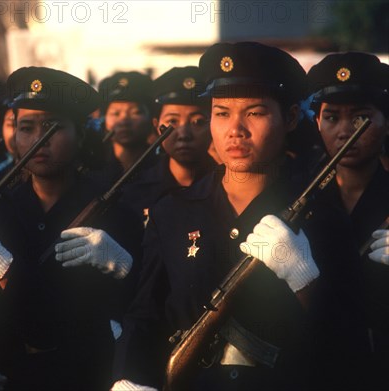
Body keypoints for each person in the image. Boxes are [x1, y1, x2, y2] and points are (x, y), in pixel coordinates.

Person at [112, 42, 365, 391]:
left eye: (255, 112)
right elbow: (144, 315)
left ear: (290, 118)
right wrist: (128, 376)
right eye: (221, 112)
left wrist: (306, 279)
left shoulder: (322, 216)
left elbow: (351, 343)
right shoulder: (173, 211)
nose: (236, 129)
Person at [0, 66, 144, 390]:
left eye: (53, 127)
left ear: (81, 134)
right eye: (26, 127)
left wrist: (127, 269)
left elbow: (144, 306)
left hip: (89, 377)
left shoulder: (114, 212)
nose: (39, 140)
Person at [307, 52, 389, 389]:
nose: (344, 131)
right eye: (331, 117)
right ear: (317, 123)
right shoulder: (296, 195)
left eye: (360, 117)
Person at [119, 66, 217, 224]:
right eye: (172, 122)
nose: (184, 135)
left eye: (198, 122)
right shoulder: (135, 191)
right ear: (157, 125)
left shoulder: (228, 188)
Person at [97, 71, 158, 183]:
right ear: (105, 118)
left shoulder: (163, 167)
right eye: (115, 113)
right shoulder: (94, 168)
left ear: (152, 117)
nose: (124, 121)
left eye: (135, 113)